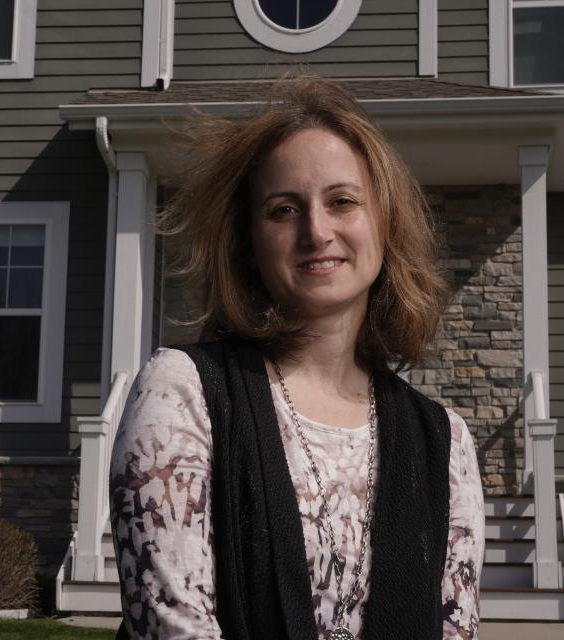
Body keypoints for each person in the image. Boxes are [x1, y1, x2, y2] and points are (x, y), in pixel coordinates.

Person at [108, 75, 485, 640]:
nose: (316, 230)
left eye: (343, 201)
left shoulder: (445, 442)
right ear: (248, 245)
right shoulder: (183, 393)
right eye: (284, 210)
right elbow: (172, 627)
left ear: (385, 223)